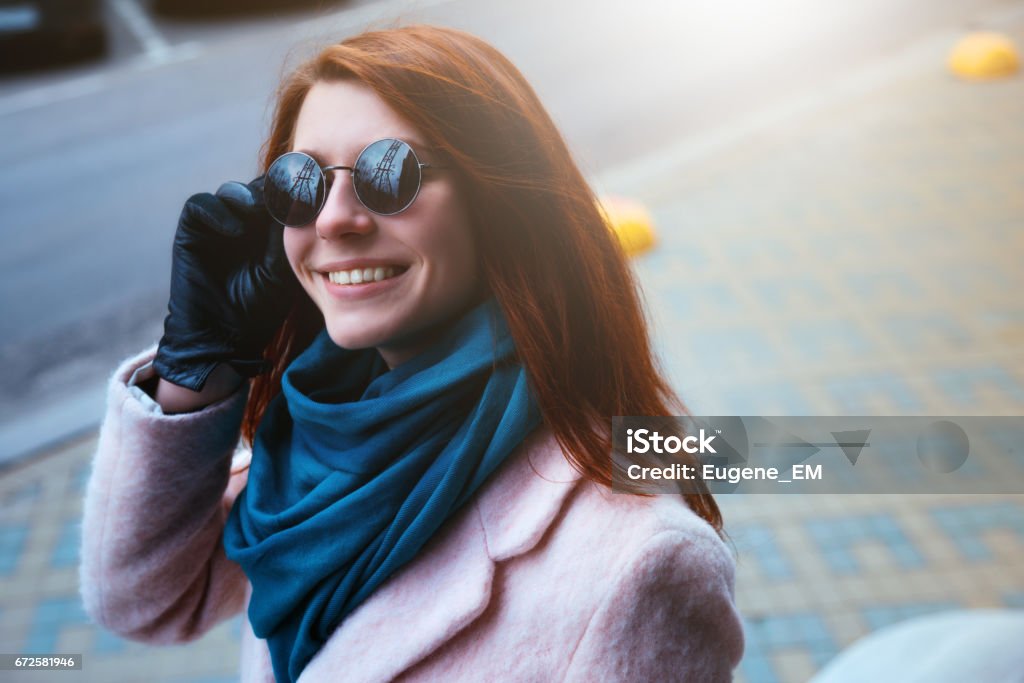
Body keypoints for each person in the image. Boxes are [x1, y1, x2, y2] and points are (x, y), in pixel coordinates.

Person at [79, 24, 744, 682]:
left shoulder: (641, 564)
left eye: (388, 173)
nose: (335, 218)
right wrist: (201, 366)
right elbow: (143, 603)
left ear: (499, 202)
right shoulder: (312, 438)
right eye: (301, 182)